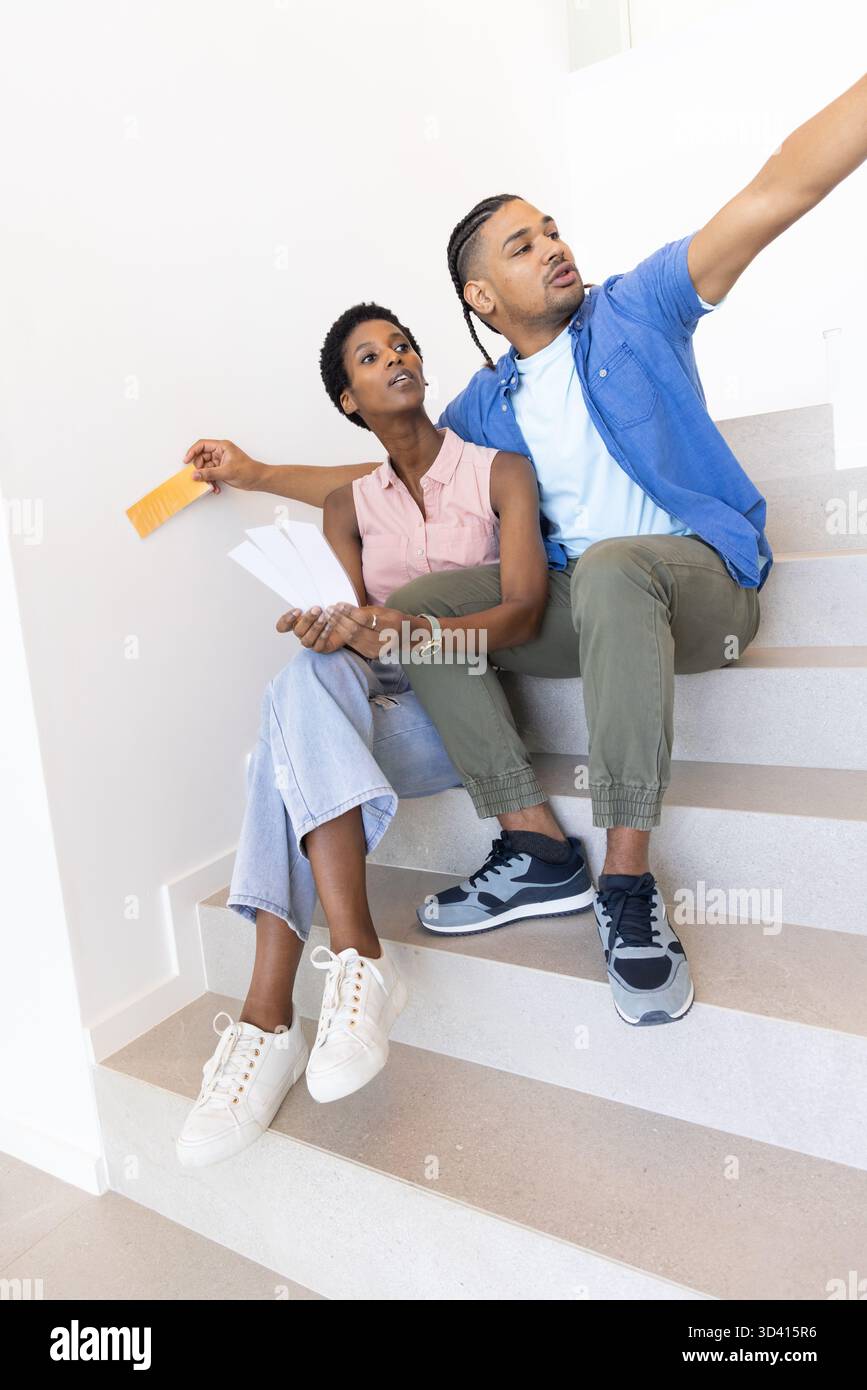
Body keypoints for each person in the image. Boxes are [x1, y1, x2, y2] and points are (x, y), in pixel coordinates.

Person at [185, 75, 867, 1028]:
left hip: (699, 589)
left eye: (551, 230)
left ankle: (625, 879)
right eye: (522, 244)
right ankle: (535, 843)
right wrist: (256, 473)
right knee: (427, 599)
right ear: (480, 294)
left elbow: (776, 189)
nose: (553, 247)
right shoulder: (486, 408)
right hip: (591, 612)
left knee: (616, 563)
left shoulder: (638, 312)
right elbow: (379, 464)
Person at [176, 303, 594, 1168]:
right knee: (303, 680)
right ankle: (349, 968)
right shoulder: (350, 504)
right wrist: (342, 628)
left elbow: (522, 612)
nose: (394, 357)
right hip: (387, 709)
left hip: (470, 713)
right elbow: (354, 625)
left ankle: (270, 1018)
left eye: (401, 345)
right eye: (371, 356)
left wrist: (399, 629)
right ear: (349, 398)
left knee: (274, 754)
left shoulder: (498, 472)